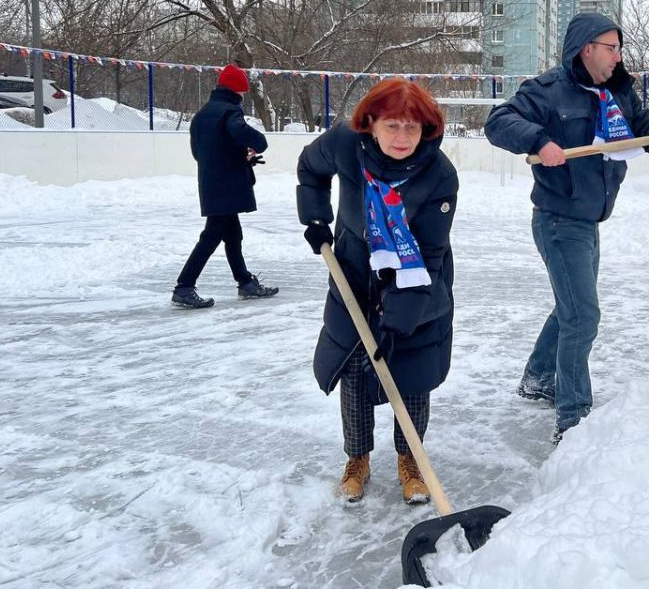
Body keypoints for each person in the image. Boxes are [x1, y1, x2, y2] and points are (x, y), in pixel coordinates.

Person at [485, 12, 649, 443]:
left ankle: (538, 377)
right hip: (557, 219)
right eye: (611, 48)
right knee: (582, 316)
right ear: (587, 48)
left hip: (589, 221)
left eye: (619, 48)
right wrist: (540, 141)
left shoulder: (618, 95)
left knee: (570, 307)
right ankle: (573, 420)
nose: (618, 56)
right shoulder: (548, 91)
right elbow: (498, 120)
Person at [296, 78, 457, 504]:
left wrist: (400, 318)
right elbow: (310, 169)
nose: (402, 137)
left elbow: (432, 252)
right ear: (371, 123)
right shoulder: (345, 144)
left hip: (418, 278)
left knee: (411, 372)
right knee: (354, 371)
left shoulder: (439, 176)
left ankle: (410, 459)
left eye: (412, 127)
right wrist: (315, 219)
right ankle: (357, 458)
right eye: (392, 126)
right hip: (353, 271)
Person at [171, 64, 279, 308]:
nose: (243, 96)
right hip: (227, 186)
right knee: (211, 236)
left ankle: (245, 282)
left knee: (233, 235)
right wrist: (258, 143)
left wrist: (238, 158)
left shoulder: (202, 115)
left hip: (212, 183)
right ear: (236, 91)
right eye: (243, 91)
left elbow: (200, 152)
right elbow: (240, 132)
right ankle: (184, 286)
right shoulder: (231, 112)